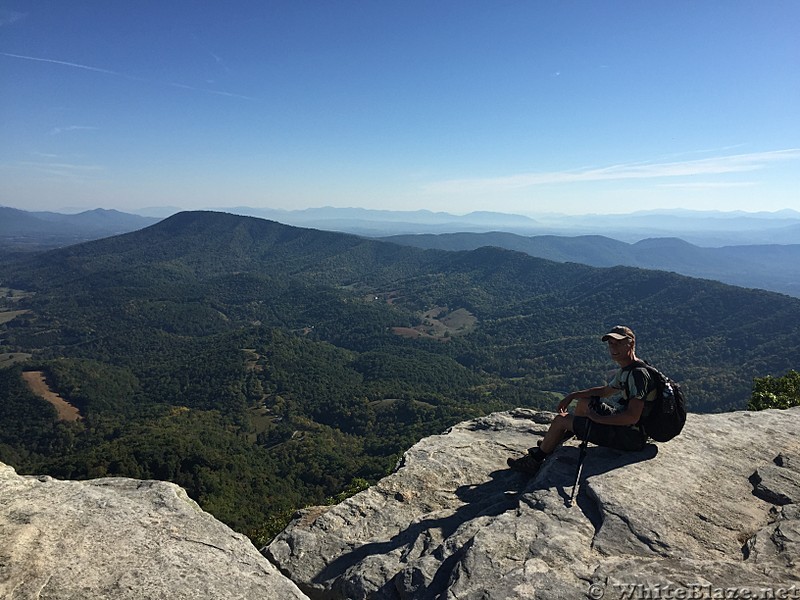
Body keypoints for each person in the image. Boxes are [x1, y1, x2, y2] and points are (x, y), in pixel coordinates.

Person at [507, 325, 657, 476]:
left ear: (630, 344)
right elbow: (605, 391)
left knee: (560, 420)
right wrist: (573, 395)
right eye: (610, 343)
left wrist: (597, 418)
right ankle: (555, 440)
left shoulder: (638, 375)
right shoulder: (629, 369)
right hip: (629, 430)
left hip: (630, 438)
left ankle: (536, 460)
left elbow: (632, 416)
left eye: (618, 343)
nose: (613, 347)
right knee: (584, 402)